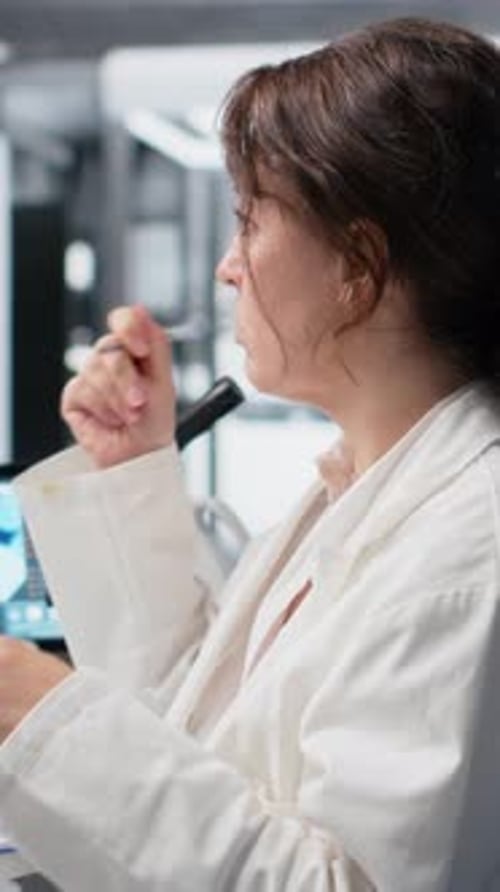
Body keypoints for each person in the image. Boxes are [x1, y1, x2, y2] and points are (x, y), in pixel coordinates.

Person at [1, 15, 500, 891]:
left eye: (249, 221)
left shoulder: (470, 546)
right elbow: (201, 735)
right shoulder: (366, 490)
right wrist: (134, 470)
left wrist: (35, 717)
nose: (228, 267)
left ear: (359, 264)